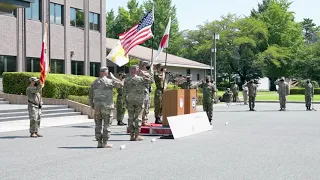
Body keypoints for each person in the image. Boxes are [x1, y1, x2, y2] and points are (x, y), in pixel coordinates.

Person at [88, 67, 122, 148]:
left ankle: (99, 142)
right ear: (107, 73)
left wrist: (92, 105)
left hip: (97, 106)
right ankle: (105, 142)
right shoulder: (109, 81)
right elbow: (121, 84)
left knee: (98, 124)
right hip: (107, 106)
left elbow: (90, 95)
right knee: (107, 124)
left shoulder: (95, 82)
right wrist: (113, 77)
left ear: (100, 72)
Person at [123, 65, 154, 141]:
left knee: (131, 118)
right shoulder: (141, 79)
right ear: (138, 71)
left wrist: (124, 102)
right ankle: (136, 135)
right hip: (139, 101)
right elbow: (152, 81)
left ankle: (131, 136)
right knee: (138, 118)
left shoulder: (126, 80)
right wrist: (145, 74)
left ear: (130, 71)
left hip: (130, 100)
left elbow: (124, 92)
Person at [139, 61, 153, 126]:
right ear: (143, 65)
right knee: (143, 106)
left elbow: (152, 80)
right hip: (142, 91)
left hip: (147, 91)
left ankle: (145, 120)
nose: (148, 66)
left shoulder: (148, 72)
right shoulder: (140, 72)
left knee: (147, 105)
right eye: (146, 65)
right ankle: (142, 120)